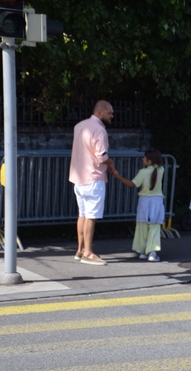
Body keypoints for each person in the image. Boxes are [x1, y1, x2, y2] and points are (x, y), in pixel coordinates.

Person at [69, 100, 115, 266]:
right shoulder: (100, 130)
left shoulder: (79, 126)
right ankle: (88, 252)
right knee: (91, 216)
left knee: (82, 214)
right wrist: (111, 163)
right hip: (93, 178)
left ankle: (80, 250)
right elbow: (101, 157)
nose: (112, 116)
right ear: (100, 113)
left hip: (78, 178)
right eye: (109, 113)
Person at [111, 148, 165, 262]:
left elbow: (132, 184)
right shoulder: (161, 170)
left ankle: (142, 251)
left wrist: (117, 176)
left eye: (144, 158)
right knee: (154, 227)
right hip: (157, 201)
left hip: (144, 201)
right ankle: (152, 252)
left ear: (149, 161)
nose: (143, 159)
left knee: (142, 226)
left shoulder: (143, 172)